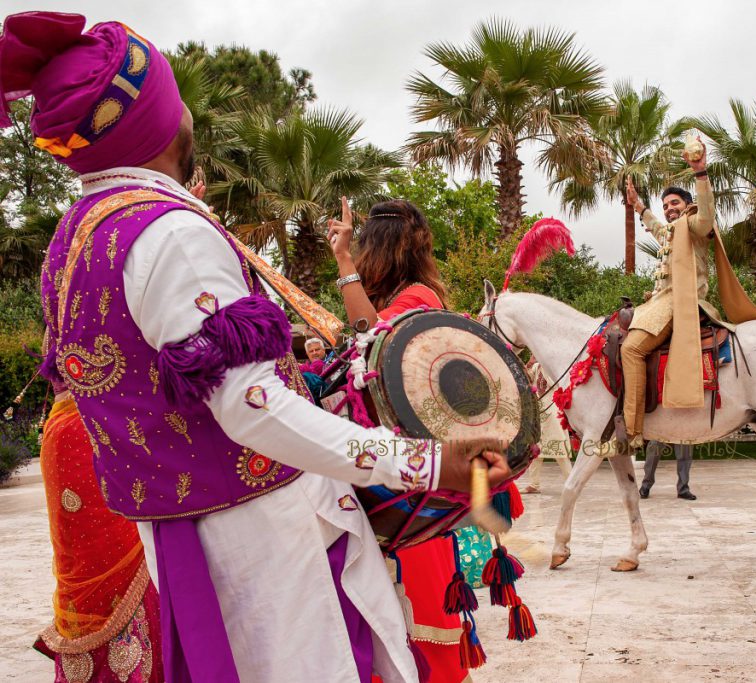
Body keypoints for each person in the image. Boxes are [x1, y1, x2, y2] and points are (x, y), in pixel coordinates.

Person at [3, 12, 509, 683]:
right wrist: (420, 460)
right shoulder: (173, 233)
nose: (186, 113)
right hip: (265, 547)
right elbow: (252, 409)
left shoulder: (74, 244)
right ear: (150, 122)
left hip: (186, 537)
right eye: (175, 97)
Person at [327, 197, 473, 682]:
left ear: (380, 249)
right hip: (408, 461)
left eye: (365, 246)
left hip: (410, 474)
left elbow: (371, 334)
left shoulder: (415, 300)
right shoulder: (414, 293)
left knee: (416, 597)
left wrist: (344, 262)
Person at [621, 148, 756, 447]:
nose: (669, 208)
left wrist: (701, 173)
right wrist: (638, 206)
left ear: (687, 204)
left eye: (675, 202)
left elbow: (706, 215)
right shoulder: (674, 232)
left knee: (631, 350)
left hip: (681, 304)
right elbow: (657, 228)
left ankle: (632, 432)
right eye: (666, 205)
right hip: (659, 304)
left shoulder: (696, 226)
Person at [33, 376, 162, 682]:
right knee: (96, 552)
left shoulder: (60, 331)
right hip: (91, 427)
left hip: (73, 427)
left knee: (94, 555)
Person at [522, 357, 573, 493]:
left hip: (553, 409)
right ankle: (534, 484)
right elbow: (527, 381)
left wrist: (544, 364)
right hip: (539, 410)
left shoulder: (552, 365)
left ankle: (572, 483)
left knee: (559, 448)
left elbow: (557, 384)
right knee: (535, 448)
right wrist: (528, 365)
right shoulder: (536, 366)